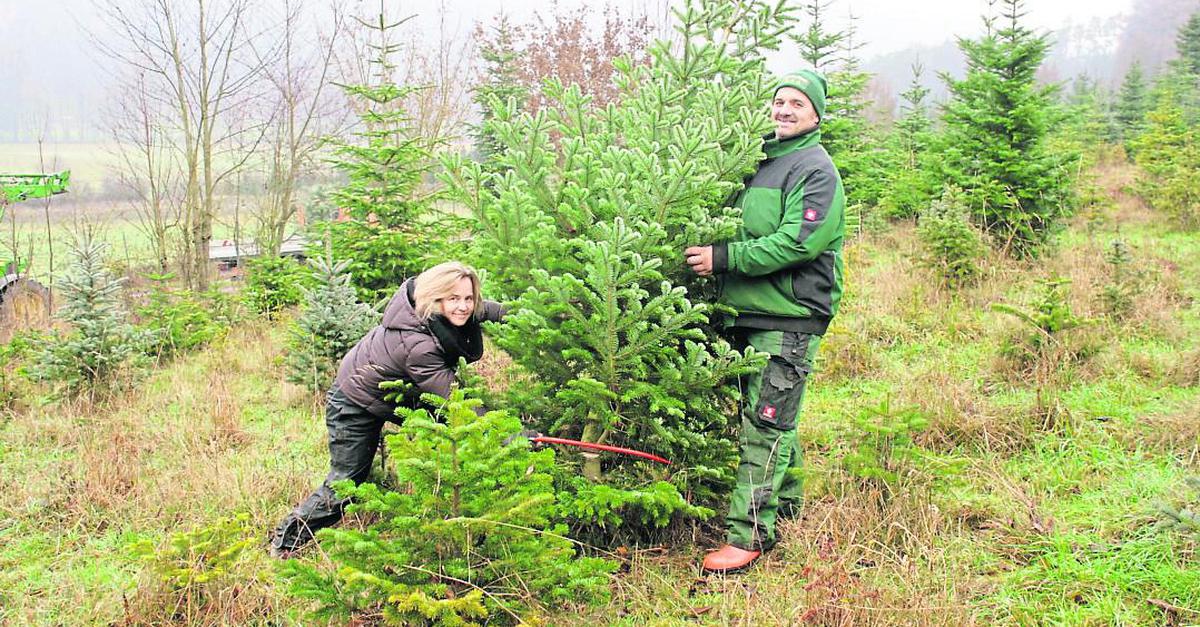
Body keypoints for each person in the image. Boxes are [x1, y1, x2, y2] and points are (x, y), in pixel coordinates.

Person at [684, 69, 845, 573]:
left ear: (816, 114)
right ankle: (789, 510)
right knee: (772, 418)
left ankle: (749, 536)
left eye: (797, 103)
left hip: (790, 315)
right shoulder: (757, 163)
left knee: (767, 424)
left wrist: (724, 258)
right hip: (749, 313)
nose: (785, 110)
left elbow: (801, 241)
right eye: (779, 101)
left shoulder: (815, 170)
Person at [270, 261, 505, 556]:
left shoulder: (438, 310)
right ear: (435, 298)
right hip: (354, 401)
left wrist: (537, 315)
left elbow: (487, 310)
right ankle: (286, 539)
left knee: (455, 442)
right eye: (453, 298)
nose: (463, 306)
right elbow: (455, 401)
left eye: (468, 298)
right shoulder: (417, 344)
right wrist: (506, 432)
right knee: (347, 482)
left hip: (394, 391)